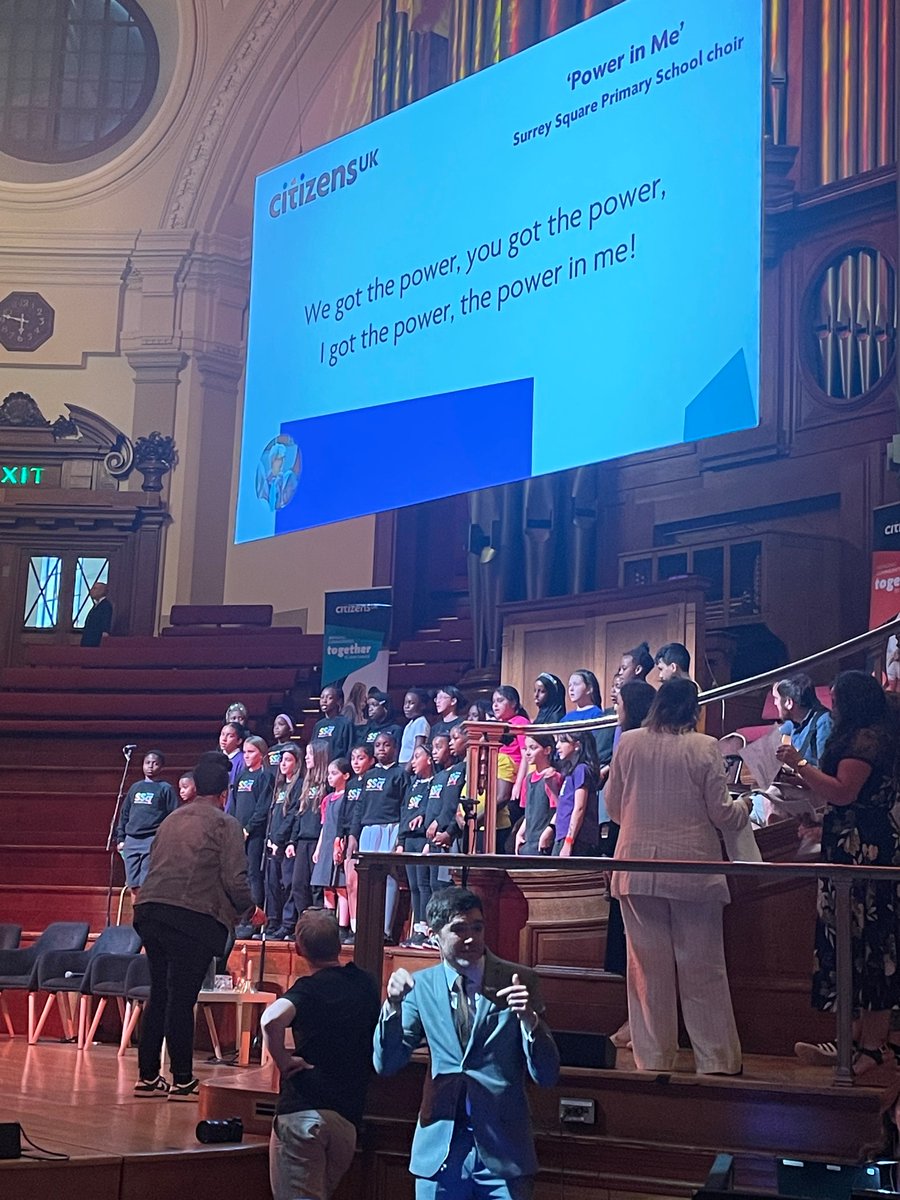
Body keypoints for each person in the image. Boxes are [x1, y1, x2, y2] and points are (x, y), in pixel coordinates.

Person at [374, 886, 560, 1200]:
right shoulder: (421, 986)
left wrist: (529, 1019)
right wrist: (392, 1005)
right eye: (459, 930)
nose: (471, 937)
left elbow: (547, 1074)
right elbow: (387, 1063)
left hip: (503, 1151)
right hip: (441, 1151)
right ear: (434, 936)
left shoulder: (520, 980)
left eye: (477, 927)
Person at [604, 678, 750, 1076]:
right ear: (694, 709)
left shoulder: (629, 742)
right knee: (702, 967)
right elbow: (721, 813)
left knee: (646, 972)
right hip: (693, 870)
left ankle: (653, 1059)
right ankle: (716, 1059)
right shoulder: (704, 747)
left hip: (636, 867)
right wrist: (746, 806)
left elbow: (614, 807)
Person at [778, 671, 900, 1076]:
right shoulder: (860, 733)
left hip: (864, 848)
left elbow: (845, 792)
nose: (832, 705)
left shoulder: (869, 738)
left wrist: (800, 764)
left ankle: (871, 1047)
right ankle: (849, 1039)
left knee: (870, 943)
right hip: (847, 842)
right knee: (845, 941)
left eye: (837, 699)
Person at [133, 751, 265, 1098]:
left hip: (149, 911)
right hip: (189, 916)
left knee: (159, 993)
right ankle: (182, 1079)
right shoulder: (227, 823)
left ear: (194, 788)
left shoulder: (171, 819)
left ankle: (148, 1076)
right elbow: (235, 879)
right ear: (225, 793)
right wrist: (252, 911)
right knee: (181, 998)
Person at [262, 910, 381, 1200]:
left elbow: (270, 1020)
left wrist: (283, 1060)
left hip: (305, 1113)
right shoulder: (365, 983)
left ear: (299, 949)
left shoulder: (307, 989)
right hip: (347, 1119)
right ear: (340, 945)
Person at [351, 731, 407, 942]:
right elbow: (360, 805)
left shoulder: (400, 774)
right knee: (366, 876)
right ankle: (366, 927)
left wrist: (400, 838)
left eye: (386, 745)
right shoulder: (369, 775)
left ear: (395, 748)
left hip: (390, 826)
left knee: (389, 875)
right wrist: (353, 835)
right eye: (378, 745)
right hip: (368, 828)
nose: (382, 748)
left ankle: (384, 931)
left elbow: (403, 806)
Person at [115, 750, 178, 898]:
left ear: (161, 767)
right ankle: (136, 918)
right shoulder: (135, 787)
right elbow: (125, 814)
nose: (150, 766)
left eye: (155, 763)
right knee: (133, 885)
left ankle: (145, 918)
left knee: (146, 883)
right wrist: (121, 838)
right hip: (131, 841)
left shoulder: (165, 788)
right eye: (147, 763)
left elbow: (173, 815)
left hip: (151, 840)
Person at [232, 734, 273, 927]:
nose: (246, 756)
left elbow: (262, 808)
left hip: (255, 834)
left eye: (251, 752)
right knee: (240, 874)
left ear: (261, 753)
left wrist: (248, 829)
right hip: (237, 831)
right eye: (245, 752)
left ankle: (255, 919)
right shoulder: (241, 776)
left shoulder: (265, 776)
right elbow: (234, 803)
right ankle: (241, 915)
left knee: (253, 873)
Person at [263, 742, 303, 940]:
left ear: (297, 763)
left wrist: (280, 839)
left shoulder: (298, 785)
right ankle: (273, 921)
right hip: (272, 842)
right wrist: (271, 837)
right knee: (272, 883)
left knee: (287, 884)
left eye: (288, 760)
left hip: (286, 843)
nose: (283, 764)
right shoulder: (279, 786)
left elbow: (292, 815)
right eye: (282, 760)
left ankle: (288, 924)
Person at [288, 742, 329, 916]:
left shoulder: (327, 784)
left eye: (310, 754)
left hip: (317, 841)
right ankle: (305, 919)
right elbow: (299, 814)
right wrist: (292, 840)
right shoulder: (306, 782)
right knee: (298, 884)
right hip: (302, 840)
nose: (306, 758)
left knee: (316, 887)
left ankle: (318, 923)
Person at [341, 743, 376, 946]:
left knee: (363, 883)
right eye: (353, 758)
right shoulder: (352, 784)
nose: (355, 762)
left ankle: (367, 926)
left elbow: (362, 812)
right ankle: (354, 928)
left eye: (361, 758)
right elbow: (345, 812)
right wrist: (341, 835)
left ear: (371, 760)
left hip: (366, 832)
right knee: (350, 884)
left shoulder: (370, 782)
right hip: (349, 834)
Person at [311, 757, 352, 928]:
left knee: (341, 887)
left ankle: (343, 926)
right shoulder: (327, 799)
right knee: (327, 887)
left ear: (346, 775)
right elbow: (324, 826)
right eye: (329, 774)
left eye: (334, 773)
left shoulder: (348, 797)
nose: (330, 777)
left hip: (339, 843)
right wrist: (318, 848)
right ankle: (330, 925)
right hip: (327, 843)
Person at [552, 730, 601, 856]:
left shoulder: (581, 770)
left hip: (576, 839)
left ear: (577, 745)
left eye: (563, 741)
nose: (557, 746)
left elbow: (579, 807)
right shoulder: (570, 772)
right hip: (562, 835)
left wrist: (569, 841)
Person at [515, 734, 561, 856]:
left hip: (544, 841)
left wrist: (549, 831)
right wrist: (520, 833)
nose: (528, 753)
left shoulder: (552, 777)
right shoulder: (528, 779)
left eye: (533, 748)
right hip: (529, 840)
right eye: (525, 748)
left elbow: (558, 809)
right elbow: (528, 813)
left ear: (547, 750)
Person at [312, 685, 354, 762]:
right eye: (322, 697)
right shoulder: (318, 725)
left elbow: (348, 749)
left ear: (338, 701)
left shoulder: (345, 723)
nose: (324, 701)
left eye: (329, 698)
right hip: (319, 767)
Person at [400, 688, 433, 768]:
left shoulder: (421, 722)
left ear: (422, 706)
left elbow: (417, 749)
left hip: (410, 765)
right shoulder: (410, 724)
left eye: (411, 703)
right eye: (405, 703)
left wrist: (407, 770)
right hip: (402, 763)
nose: (406, 706)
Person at [80, 581, 112, 646]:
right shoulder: (96, 605)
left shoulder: (106, 605)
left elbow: (105, 623)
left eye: (95, 588)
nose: (91, 591)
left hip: (96, 641)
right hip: (88, 640)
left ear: (102, 591)